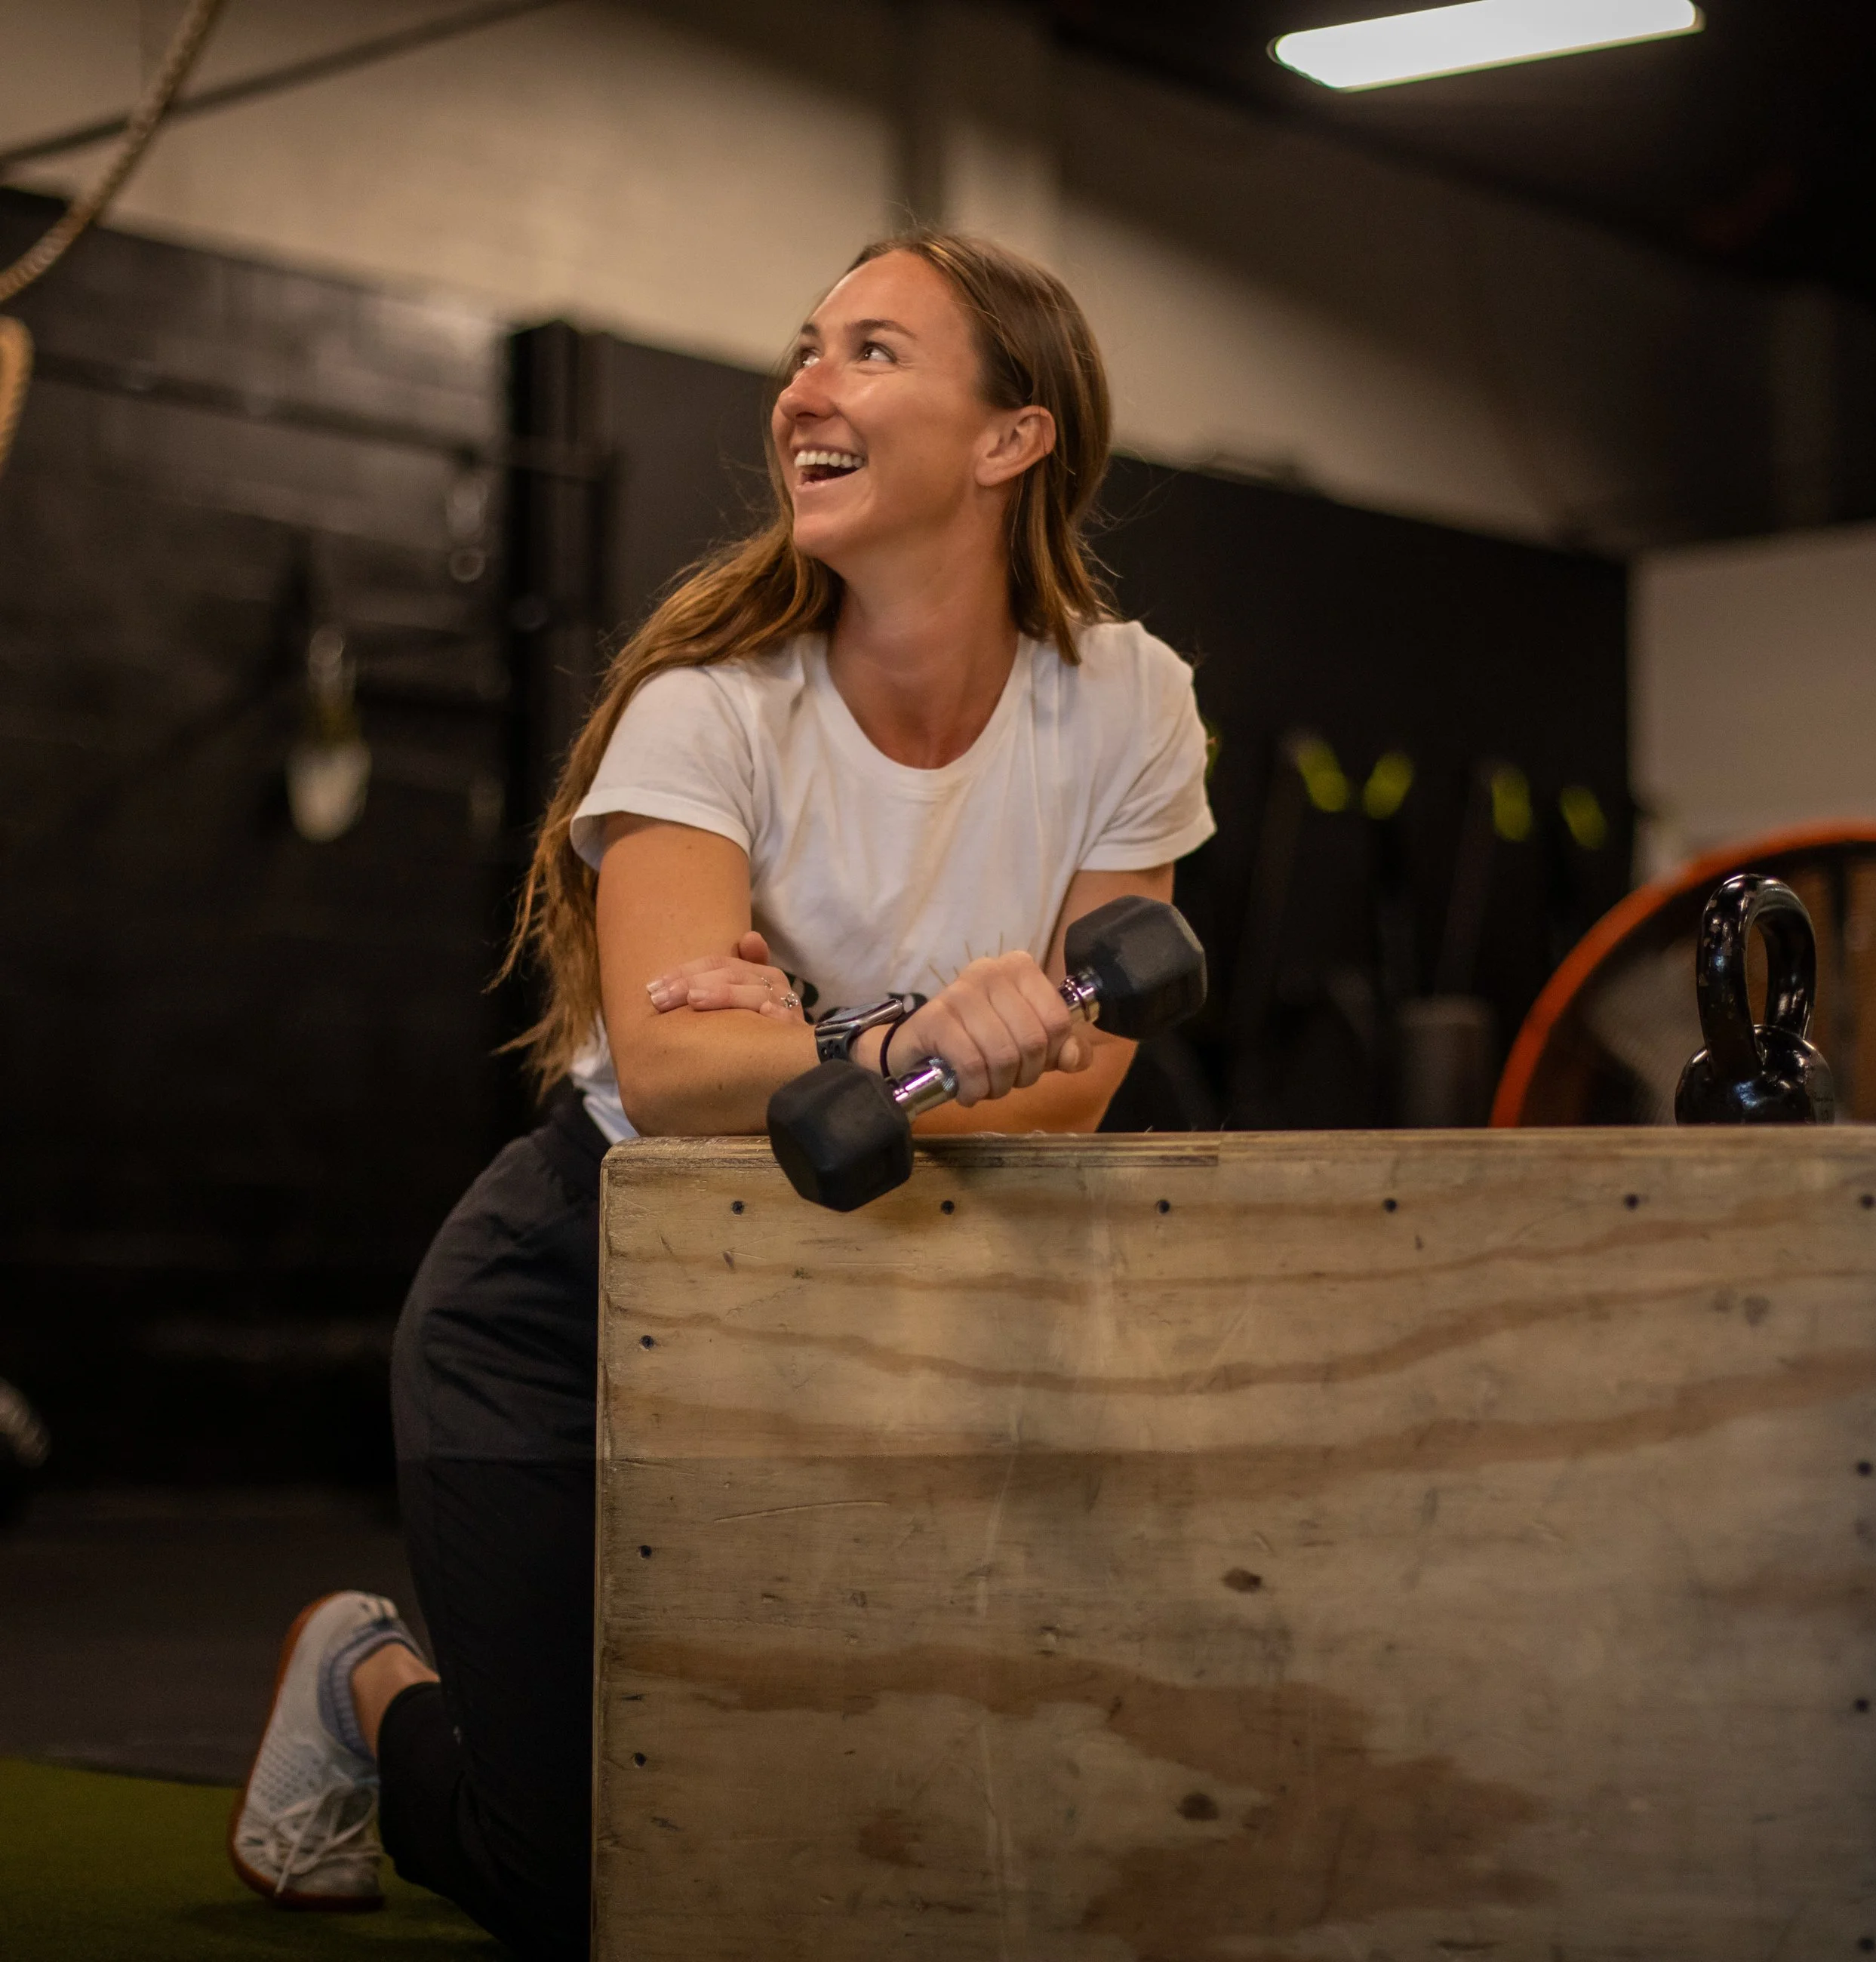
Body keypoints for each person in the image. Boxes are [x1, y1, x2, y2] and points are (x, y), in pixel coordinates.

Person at [226, 229, 1215, 1958]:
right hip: (569, 1288)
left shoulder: (1124, 702)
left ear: (1012, 437)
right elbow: (677, 1073)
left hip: (869, 1287)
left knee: (822, 1827)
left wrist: (838, 1051)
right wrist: (923, 1036)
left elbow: (1072, 1101)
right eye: (805, 348)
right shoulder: (710, 714)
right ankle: (362, 1672)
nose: (806, 388)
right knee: (581, 1879)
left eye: (875, 352)